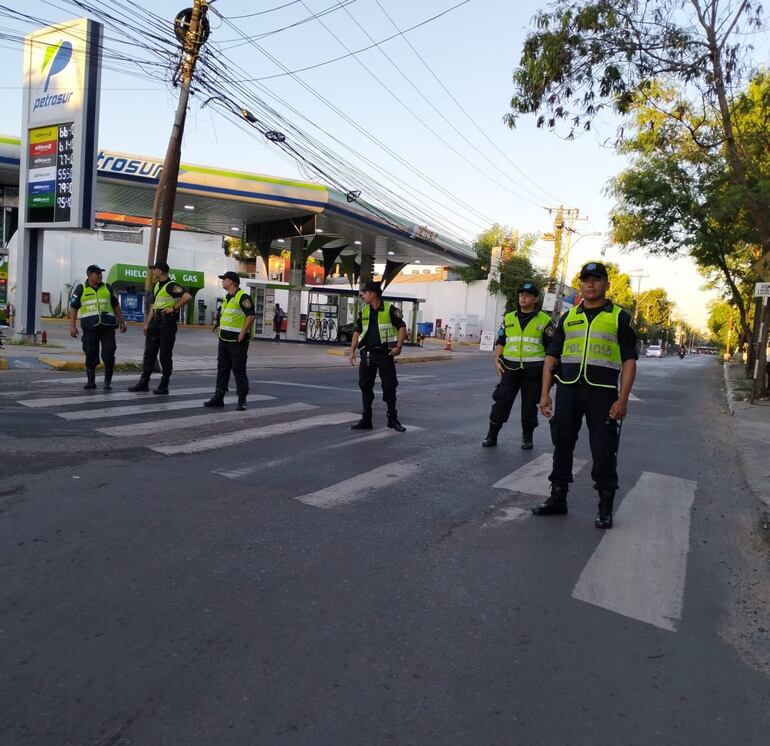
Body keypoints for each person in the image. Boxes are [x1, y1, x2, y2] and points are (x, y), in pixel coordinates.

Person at [532, 262, 638, 529]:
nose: (590, 284)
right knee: (562, 444)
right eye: (585, 280)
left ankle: (604, 506)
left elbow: (629, 361)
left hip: (601, 394)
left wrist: (622, 399)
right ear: (580, 284)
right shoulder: (568, 318)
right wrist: (545, 394)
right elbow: (551, 357)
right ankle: (558, 498)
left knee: (603, 450)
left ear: (606, 284)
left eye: (596, 279)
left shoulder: (619, 317)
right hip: (568, 389)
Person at [482, 282, 553, 449]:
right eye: (521, 294)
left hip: (534, 371)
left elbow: (551, 348)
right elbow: (501, 340)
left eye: (528, 294)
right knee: (501, 402)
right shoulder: (509, 318)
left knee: (529, 407)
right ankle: (492, 435)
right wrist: (497, 359)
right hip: (510, 369)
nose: (523, 296)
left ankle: (527, 437)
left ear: (535, 299)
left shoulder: (545, 320)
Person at [348, 280, 407, 432]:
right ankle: (366, 419)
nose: (363, 296)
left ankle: (392, 419)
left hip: (385, 353)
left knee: (389, 386)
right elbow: (357, 331)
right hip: (367, 353)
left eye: (365, 293)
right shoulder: (365, 311)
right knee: (365, 385)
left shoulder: (389, 309)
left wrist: (398, 347)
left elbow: (402, 327)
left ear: (373, 294)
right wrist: (352, 350)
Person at [128, 261, 191, 395]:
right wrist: (147, 323)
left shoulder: (171, 285)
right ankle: (144, 382)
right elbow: (153, 306)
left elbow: (187, 296)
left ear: (161, 271)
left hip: (167, 324)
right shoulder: (157, 286)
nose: (153, 272)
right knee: (149, 353)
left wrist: (174, 308)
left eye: (154, 270)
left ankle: (164, 384)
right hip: (155, 323)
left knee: (165, 355)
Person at [69, 264, 127, 390]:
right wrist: (72, 326)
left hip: (107, 327)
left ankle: (107, 381)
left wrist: (122, 321)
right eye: (97, 274)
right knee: (90, 354)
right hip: (90, 328)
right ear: (89, 275)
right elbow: (74, 308)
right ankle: (91, 381)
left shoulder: (108, 288)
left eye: (101, 273)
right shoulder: (81, 289)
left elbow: (116, 305)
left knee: (109, 354)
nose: (100, 276)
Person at [203, 272, 256, 411]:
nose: (222, 282)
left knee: (238, 369)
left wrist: (243, 332)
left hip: (237, 340)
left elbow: (251, 316)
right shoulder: (227, 297)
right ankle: (218, 396)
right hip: (224, 339)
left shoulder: (242, 297)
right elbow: (224, 312)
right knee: (222, 368)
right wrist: (217, 323)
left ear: (231, 282)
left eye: (224, 280)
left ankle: (242, 399)